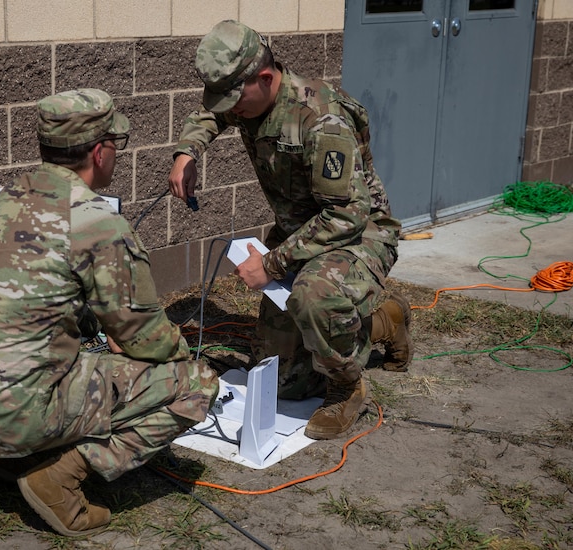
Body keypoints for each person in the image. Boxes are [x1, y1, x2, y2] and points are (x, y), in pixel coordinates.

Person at [0, 88, 219, 537]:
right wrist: (179, 352)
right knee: (196, 384)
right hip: (14, 413)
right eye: (115, 147)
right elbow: (146, 337)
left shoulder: (10, 198)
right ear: (100, 151)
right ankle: (60, 476)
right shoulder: (96, 222)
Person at [168, 20, 412, 440]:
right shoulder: (248, 98)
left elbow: (346, 215)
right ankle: (383, 321)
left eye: (235, 100)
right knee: (285, 385)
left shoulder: (321, 120)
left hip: (359, 233)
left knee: (313, 296)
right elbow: (210, 112)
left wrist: (273, 262)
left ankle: (347, 388)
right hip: (304, 230)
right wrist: (187, 153)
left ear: (265, 78)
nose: (230, 111)